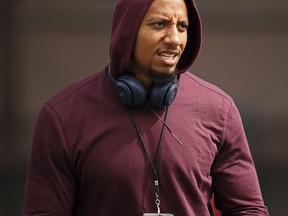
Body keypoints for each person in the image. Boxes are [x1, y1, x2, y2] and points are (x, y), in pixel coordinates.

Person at [22, 0, 269, 215]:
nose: (174, 39)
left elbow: (247, 210)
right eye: (159, 24)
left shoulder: (219, 109)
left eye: (182, 27)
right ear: (127, 32)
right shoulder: (63, 116)